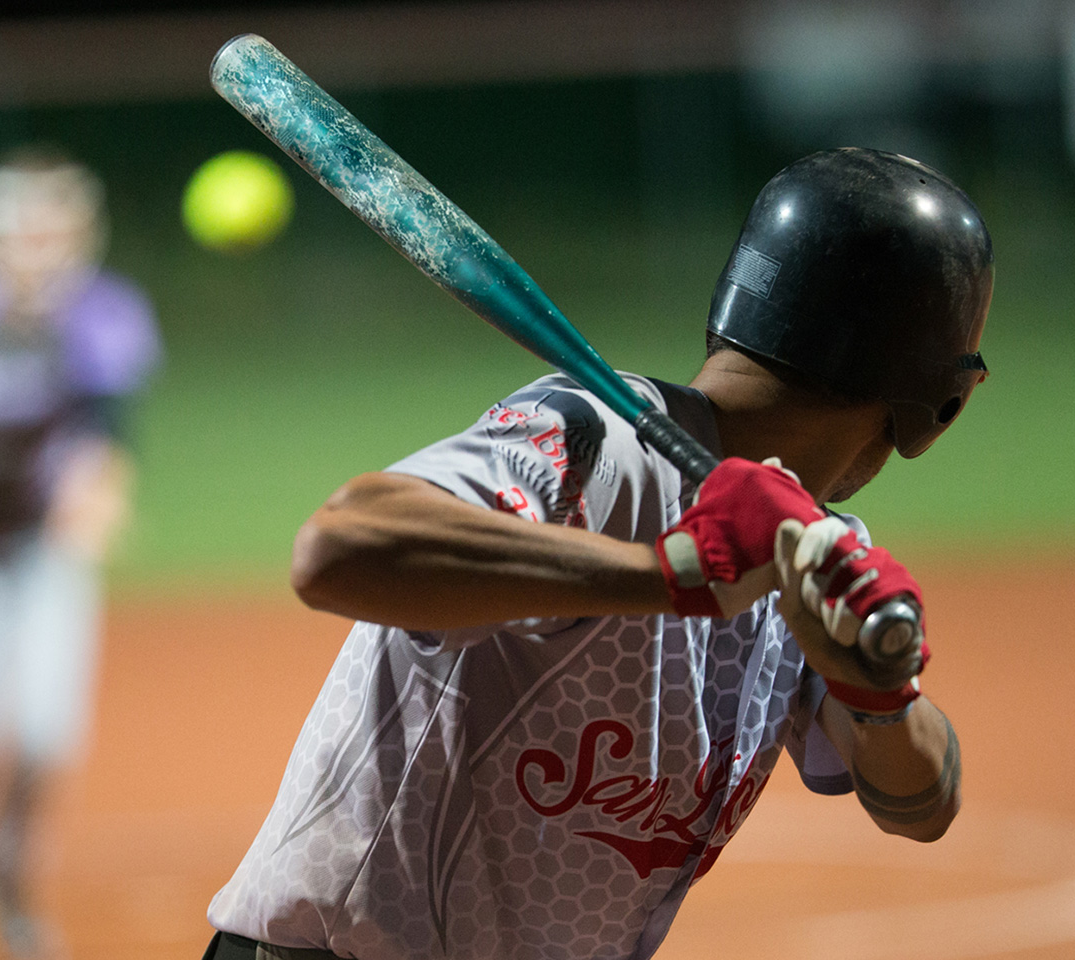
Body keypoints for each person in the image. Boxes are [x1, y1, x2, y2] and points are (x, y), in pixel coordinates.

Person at [203, 147, 992, 960]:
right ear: (935, 399)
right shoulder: (588, 437)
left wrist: (880, 692)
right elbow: (339, 547)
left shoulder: (807, 553)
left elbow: (921, 806)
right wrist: (669, 575)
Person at [0, 147, 162, 959]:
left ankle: (10, 869)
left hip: (44, 547)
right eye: (18, 234)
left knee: (41, 734)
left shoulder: (106, 314)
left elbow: (107, 431)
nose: (35, 251)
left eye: (51, 233)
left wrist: (93, 493)